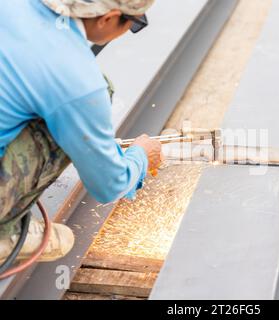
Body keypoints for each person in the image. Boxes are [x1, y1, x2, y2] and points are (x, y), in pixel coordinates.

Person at [0, 0, 162, 265]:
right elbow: (109, 185)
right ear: (107, 18)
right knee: (86, 99)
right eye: (134, 22)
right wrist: (140, 158)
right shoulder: (78, 81)